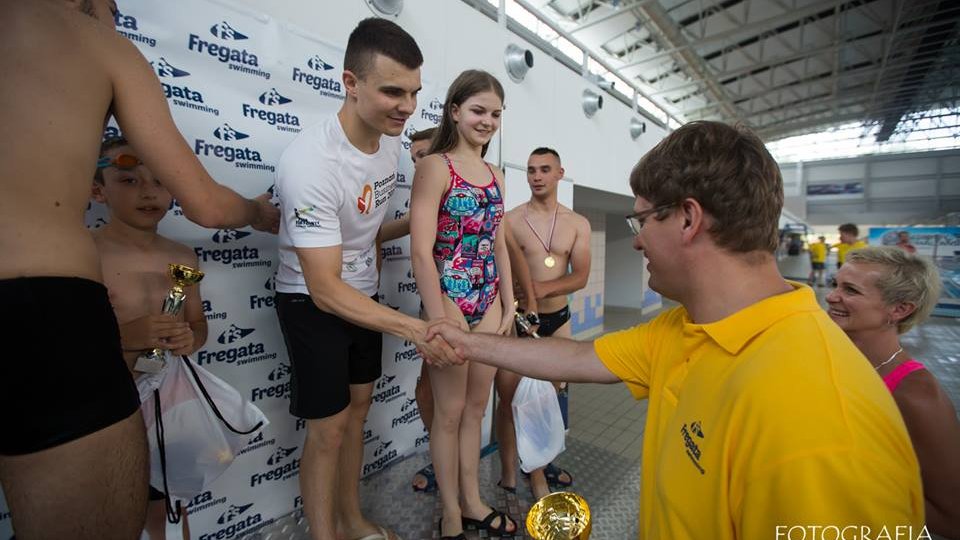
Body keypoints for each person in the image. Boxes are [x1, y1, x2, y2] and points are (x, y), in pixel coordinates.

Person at [427, 121, 924, 539]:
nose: (637, 242)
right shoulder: (687, 327)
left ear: (688, 219)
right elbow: (577, 359)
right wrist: (467, 341)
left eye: (640, 220)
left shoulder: (823, 422)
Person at [0, 1, 278, 537]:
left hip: (152, 400)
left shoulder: (181, 260)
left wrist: (182, 336)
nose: (150, 191)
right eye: (110, 10)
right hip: (44, 304)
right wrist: (258, 213)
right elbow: (212, 206)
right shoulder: (95, 42)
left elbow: (189, 320)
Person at [274, 18, 457, 540]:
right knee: (328, 430)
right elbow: (324, 288)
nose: (407, 106)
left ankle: (352, 519)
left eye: (415, 93)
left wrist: (426, 221)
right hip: (314, 302)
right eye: (393, 91)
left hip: (364, 295)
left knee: (357, 410)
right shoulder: (310, 161)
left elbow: (365, 229)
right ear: (350, 84)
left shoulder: (391, 147)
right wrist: (418, 329)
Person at [409, 70, 517, 539]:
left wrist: (509, 303)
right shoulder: (435, 167)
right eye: (478, 110)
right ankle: (450, 509)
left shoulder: (497, 175)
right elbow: (420, 249)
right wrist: (438, 313)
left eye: (495, 113)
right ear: (454, 111)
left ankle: (473, 500)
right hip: (448, 303)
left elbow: (496, 244)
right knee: (448, 413)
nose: (487, 120)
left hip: (490, 302)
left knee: (477, 410)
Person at [91, 137, 201, 540]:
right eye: (128, 180)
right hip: (105, 405)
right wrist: (124, 336)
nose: (149, 191)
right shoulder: (84, 253)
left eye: (159, 180)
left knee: (169, 508)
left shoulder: (183, 257)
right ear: (97, 190)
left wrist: (191, 339)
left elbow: (197, 323)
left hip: (168, 403)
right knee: (108, 508)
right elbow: (60, 341)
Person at [826, 246, 959, 538]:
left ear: (899, 309)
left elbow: (952, 518)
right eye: (835, 284)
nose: (831, 296)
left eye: (850, 290)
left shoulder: (917, 396)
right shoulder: (833, 359)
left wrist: (846, 484)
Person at [496, 147, 590, 499]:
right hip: (520, 320)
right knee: (509, 401)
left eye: (545, 169)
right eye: (532, 170)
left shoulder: (577, 223)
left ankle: (541, 462)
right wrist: (523, 298)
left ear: (559, 174)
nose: (536, 176)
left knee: (549, 398)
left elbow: (579, 277)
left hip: (557, 318)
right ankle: (512, 472)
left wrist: (538, 288)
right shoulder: (511, 220)